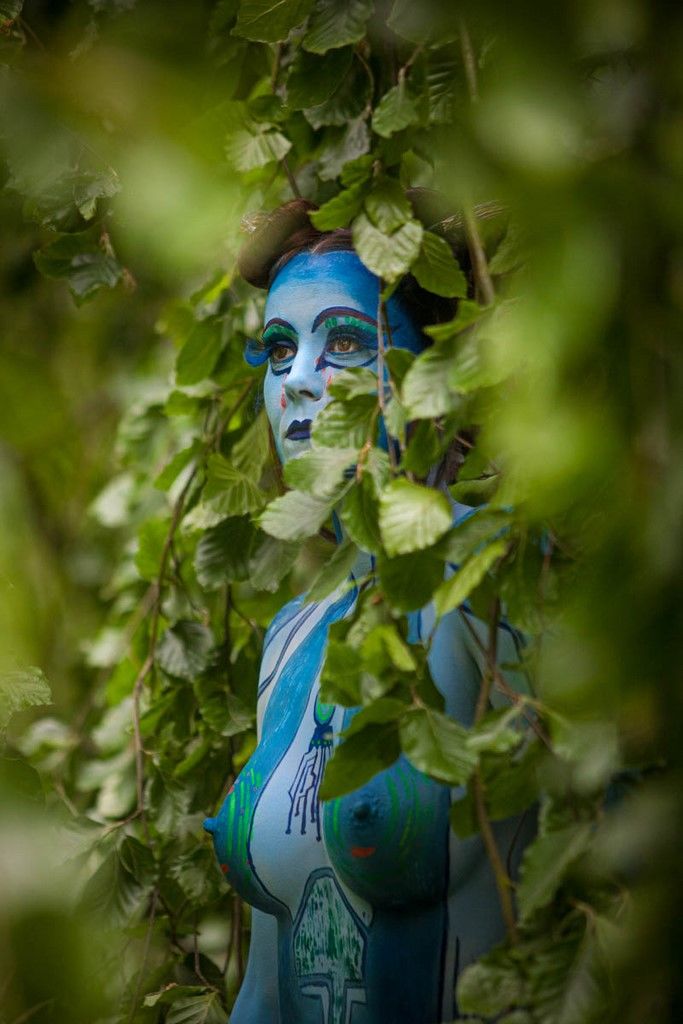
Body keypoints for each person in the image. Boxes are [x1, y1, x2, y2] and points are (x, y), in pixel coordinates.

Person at [204, 198, 534, 1024]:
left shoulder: (491, 576)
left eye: (344, 343)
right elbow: (264, 989)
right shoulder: (290, 636)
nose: (299, 380)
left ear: (436, 370)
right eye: (278, 350)